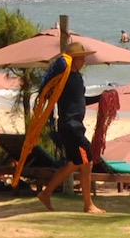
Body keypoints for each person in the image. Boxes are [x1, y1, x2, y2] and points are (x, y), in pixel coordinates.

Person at [34, 44, 105, 213]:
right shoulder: (64, 78)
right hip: (70, 127)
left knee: (75, 163)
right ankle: (88, 205)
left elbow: (81, 100)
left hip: (75, 127)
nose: (84, 60)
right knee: (87, 161)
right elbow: (52, 95)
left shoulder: (78, 78)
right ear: (73, 59)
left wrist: (101, 97)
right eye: (81, 58)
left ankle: (45, 193)